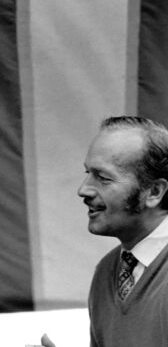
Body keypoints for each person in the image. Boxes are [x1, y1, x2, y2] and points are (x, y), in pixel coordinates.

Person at [76, 116, 168, 346]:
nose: (83, 190)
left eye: (103, 178)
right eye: (87, 173)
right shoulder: (106, 271)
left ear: (154, 191)